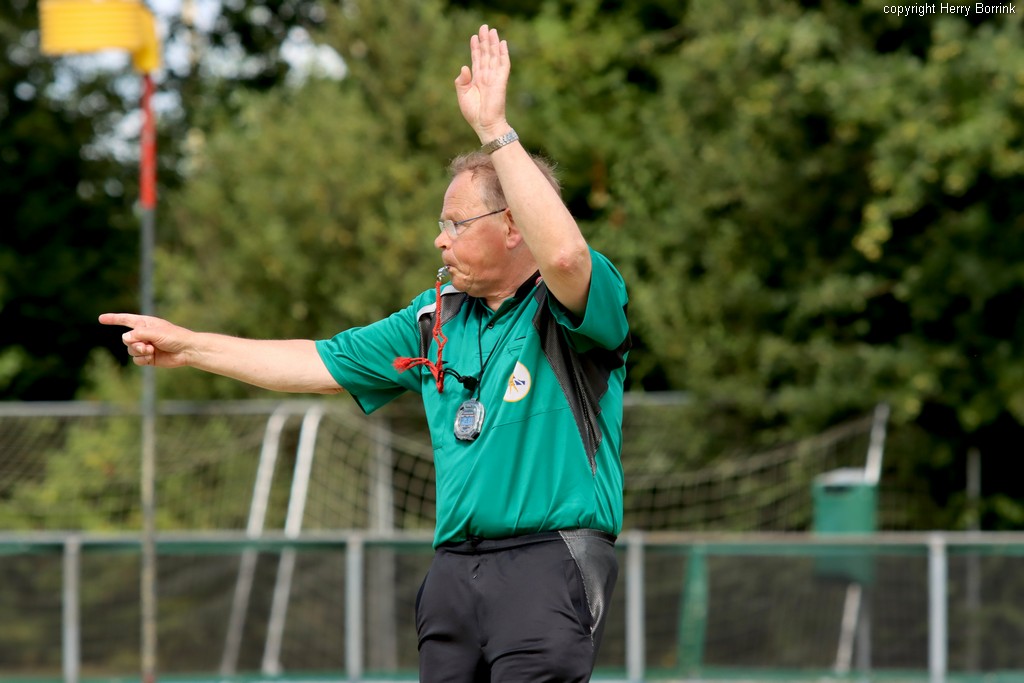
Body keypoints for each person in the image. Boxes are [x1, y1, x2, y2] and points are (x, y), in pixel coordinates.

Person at [101, 24, 630, 683]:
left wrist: (495, 129)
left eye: (455, 224)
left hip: (548, 564)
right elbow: (315, 362)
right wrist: (191, 346)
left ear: (513, 227)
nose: (440, 240)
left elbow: (566, 255)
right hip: (453, 572)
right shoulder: (434, 318)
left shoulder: (573, 304)